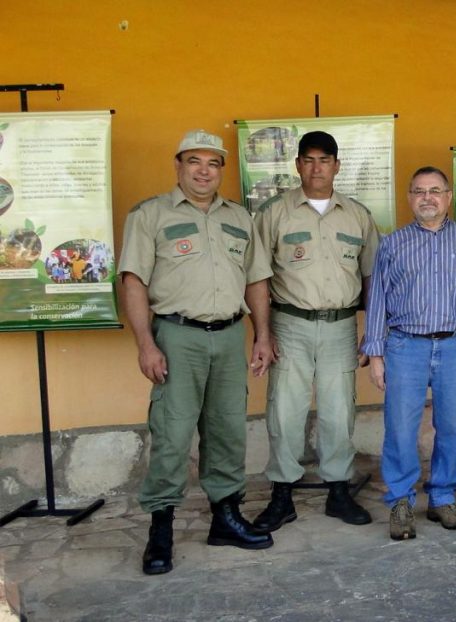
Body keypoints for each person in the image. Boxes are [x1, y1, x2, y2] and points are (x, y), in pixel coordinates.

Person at [120, 130, 275, 576]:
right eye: (194, 161)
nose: (204, 170)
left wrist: (262, 335)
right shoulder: (151, 215)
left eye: (213, 163)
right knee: (171, 434)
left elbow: (256, 280)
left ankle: (225, 519)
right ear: (179, 165)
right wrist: (146, 343)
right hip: (177, 335)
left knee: (228, 432)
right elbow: (134, 281)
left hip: (228, 336)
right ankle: (161, 529)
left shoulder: (240, 218)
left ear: (222, 169)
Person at [251, 131, 380, 532]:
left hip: (342, 326)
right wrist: (263, 334)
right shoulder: (275, 213)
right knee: (284, 410)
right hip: (289, 324)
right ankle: (282, 494)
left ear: (337, 165)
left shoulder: (357, 215)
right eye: (308, 160)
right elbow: (256, 276)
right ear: (298, 165)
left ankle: (338, 490)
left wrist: (372, 332)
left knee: (339, 409)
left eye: (325, 160)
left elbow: (373, 276)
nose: (317, 167)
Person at [362, 166, 456, 541]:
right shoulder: (393, 243)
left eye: (435, 190)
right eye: (419, 191)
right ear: (409, 198)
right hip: (405, 346)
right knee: (401, 428)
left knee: (451, 426)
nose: (427, 198)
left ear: (448, 197)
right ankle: (401, 500)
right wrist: (375, 354)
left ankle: (442, 495)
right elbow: (378, 303)